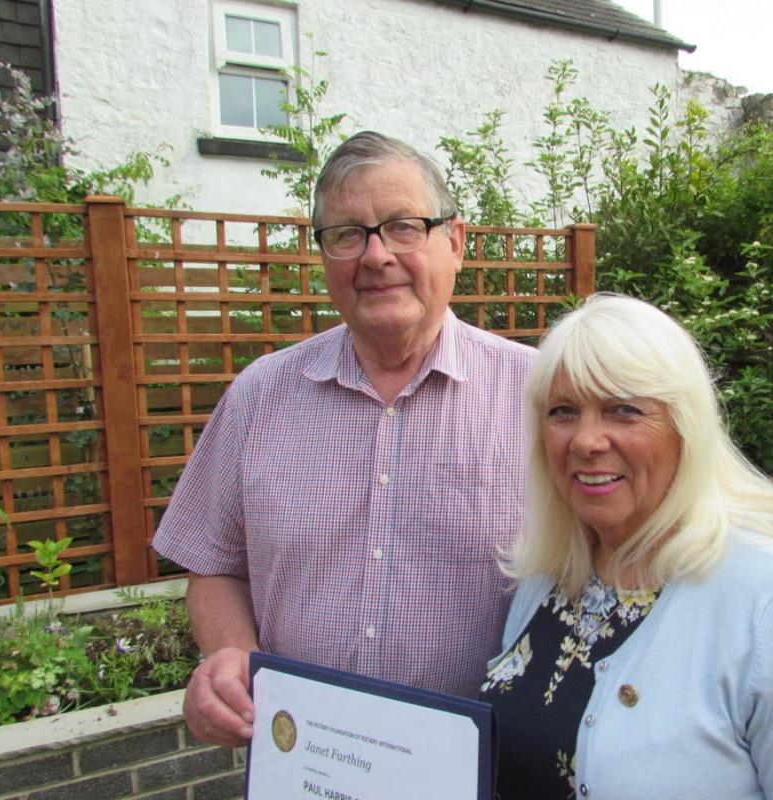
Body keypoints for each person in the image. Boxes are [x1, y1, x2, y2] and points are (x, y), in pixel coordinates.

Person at [154, 131, 536, 748]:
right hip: (306, 764)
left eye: (404, 226)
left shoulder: (540, 398)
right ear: (324, 255)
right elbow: (213, 564)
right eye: (347, 234)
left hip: (486, 771)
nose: (376, 255)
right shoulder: (259, 398)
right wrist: (229, 659)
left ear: (456, 242)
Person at [481, 294, 773, 799]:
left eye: (624, 410)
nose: (586, 440)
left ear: (685, 426)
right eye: (564, 411)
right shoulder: (548, 577)